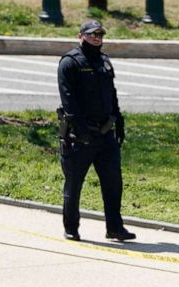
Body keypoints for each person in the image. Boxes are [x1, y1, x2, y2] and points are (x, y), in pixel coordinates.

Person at [57, 19, 135, 242]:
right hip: (80, 136)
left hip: (105, 135)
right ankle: (71, 227)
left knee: (113, 183)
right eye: (91, 35)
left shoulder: (104, 61)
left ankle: (115, 228)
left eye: (100, 35)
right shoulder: (69, 63)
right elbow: (69, 102)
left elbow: (112, 94)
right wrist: (81, 132)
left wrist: (118, 122)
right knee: (74, 183)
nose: (96, 38)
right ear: (80, 36)